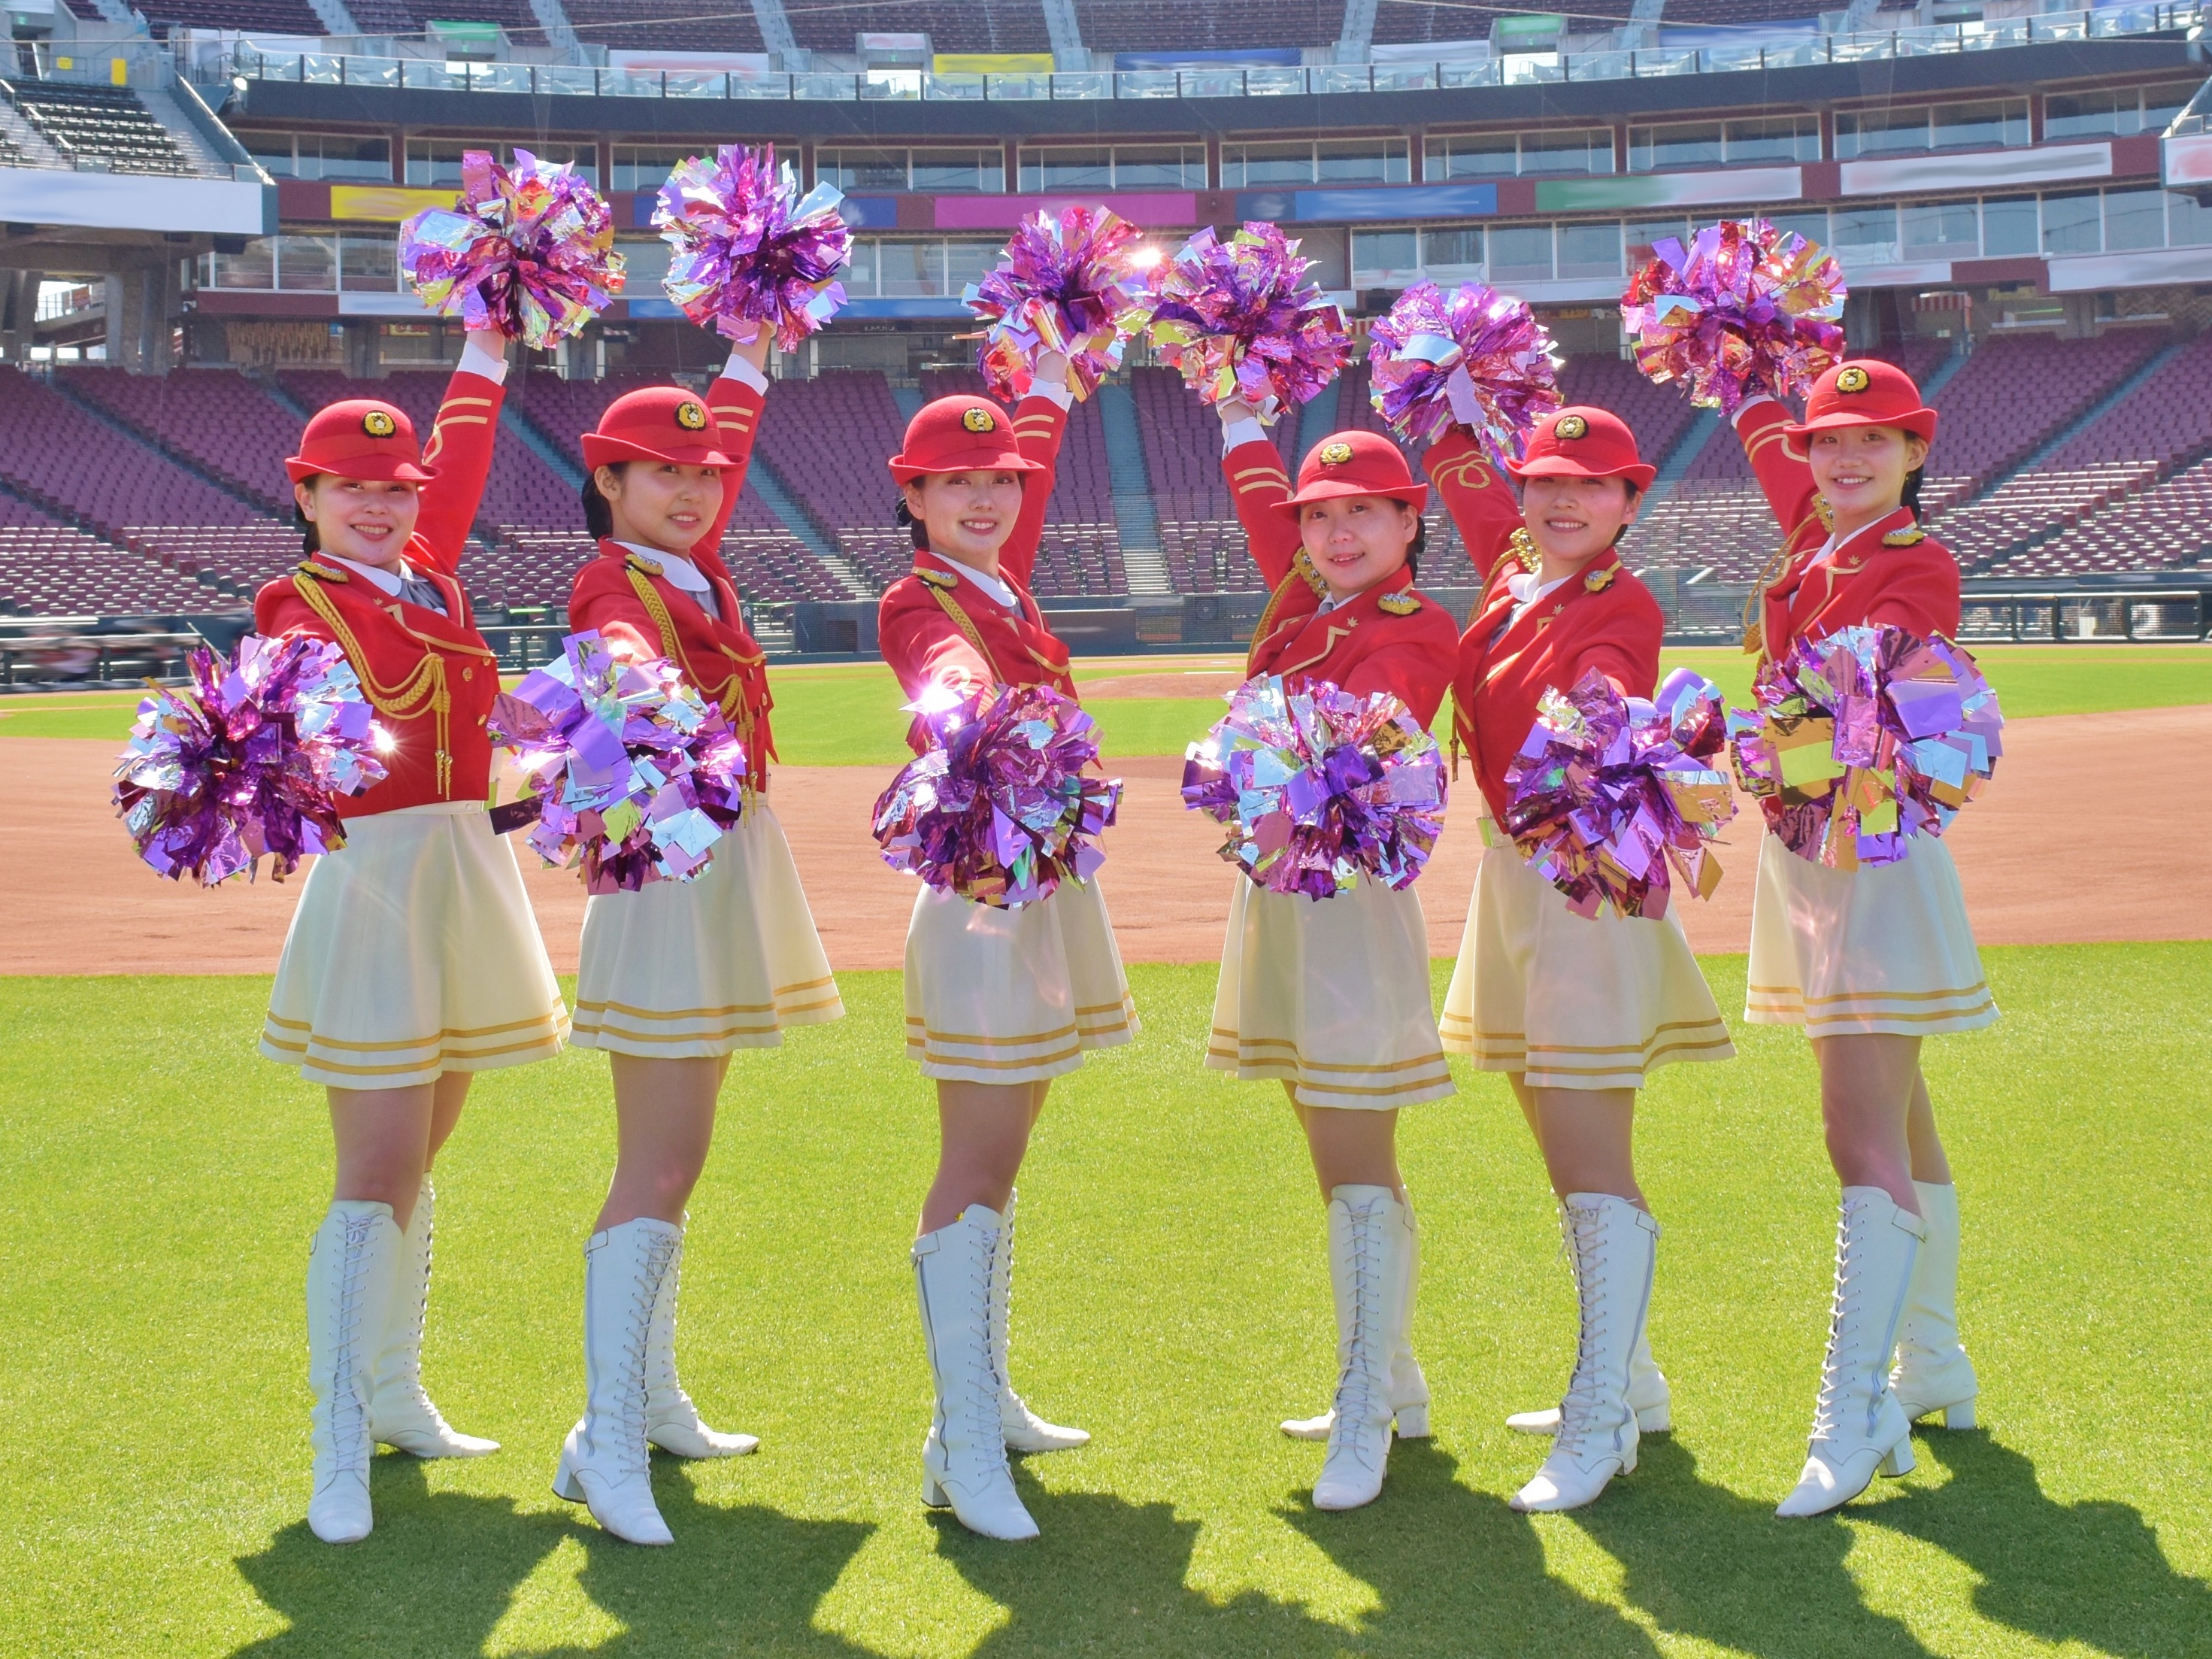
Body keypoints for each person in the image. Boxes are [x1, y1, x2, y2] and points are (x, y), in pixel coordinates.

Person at [256, 325, 569, 1545]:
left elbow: (469, 449)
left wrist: (491, 341)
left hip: (464, 866)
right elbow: (300, 711)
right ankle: (335, 1429)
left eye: (396, 490)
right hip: (377, 886)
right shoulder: (300, 598)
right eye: (353, 489)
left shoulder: (435, 577)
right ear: (309, 496)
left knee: (423, 1155)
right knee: (374, 1168)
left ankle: (394, 1392)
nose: (380, 505)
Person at [555, 330, 844, 1545]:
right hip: (669, 870)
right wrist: (635, 684)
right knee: (656, 1160)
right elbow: (611, 651)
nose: (689, 489)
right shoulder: (612, 584)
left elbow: (727, 428)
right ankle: (601, 1433)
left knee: (686, 1153)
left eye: (706, 475)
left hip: (721, 858)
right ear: (607, 485)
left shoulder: (698, 575)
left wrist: (754, 350)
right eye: (657, 473)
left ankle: (650, 1394)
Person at [1433, 406, 1735, 1512]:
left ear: (1627, 502)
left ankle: (1601, 1413)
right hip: (1512, 877)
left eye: (1591, 486)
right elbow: (1469, 494)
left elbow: (1606, 688)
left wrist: (1604, 720)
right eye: (1546, 483)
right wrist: (1457, 402)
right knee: (1558, 1142)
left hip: (1579, 880)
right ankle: (1631, 1378)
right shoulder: (1521, 583)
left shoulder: (1617, 605)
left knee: (1588, 1148)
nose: (1564, 500)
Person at [877, 354, 1133, 1542]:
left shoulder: (1005, 588)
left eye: (1000, 478)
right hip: (980, 897)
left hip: (1031, 892)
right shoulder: (920, 598)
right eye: (954, 482)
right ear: (912, 498)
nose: (983, 497)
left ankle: (981, 1402)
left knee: (1005, 1153)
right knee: (973, 1160)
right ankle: (958, 1438)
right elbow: (946, 675)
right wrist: (966, 701)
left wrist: (1050, 372)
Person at [1732, 358, 1992, 1518]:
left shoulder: (1910, 560)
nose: (1844, 459)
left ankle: (1855, 1413)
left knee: (1854, 1132)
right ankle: (1931, 1360)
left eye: (1872, 442)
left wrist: (1749, 743)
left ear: (1913, 455)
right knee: (1897, 1114)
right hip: (1814, 858)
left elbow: (1871, 701)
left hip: (1867, 859)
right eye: (1826, 441)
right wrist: (1737, 365)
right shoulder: (1813, 549)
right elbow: (1761, 448)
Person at [1205, 399, 1462, 1513]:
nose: (1338, 533)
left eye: (1366, 512)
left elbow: (1380, 729)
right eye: (1321, 517)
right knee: (1330, 1142)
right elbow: (1264, 506)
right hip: (1281, 898)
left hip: (1350, 903)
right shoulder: (1303, 604)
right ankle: (1392, 1376)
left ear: (1411, 521)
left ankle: (1364, 1401)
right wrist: (1235, 411)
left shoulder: (1413, 622)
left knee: (1355, 1152)